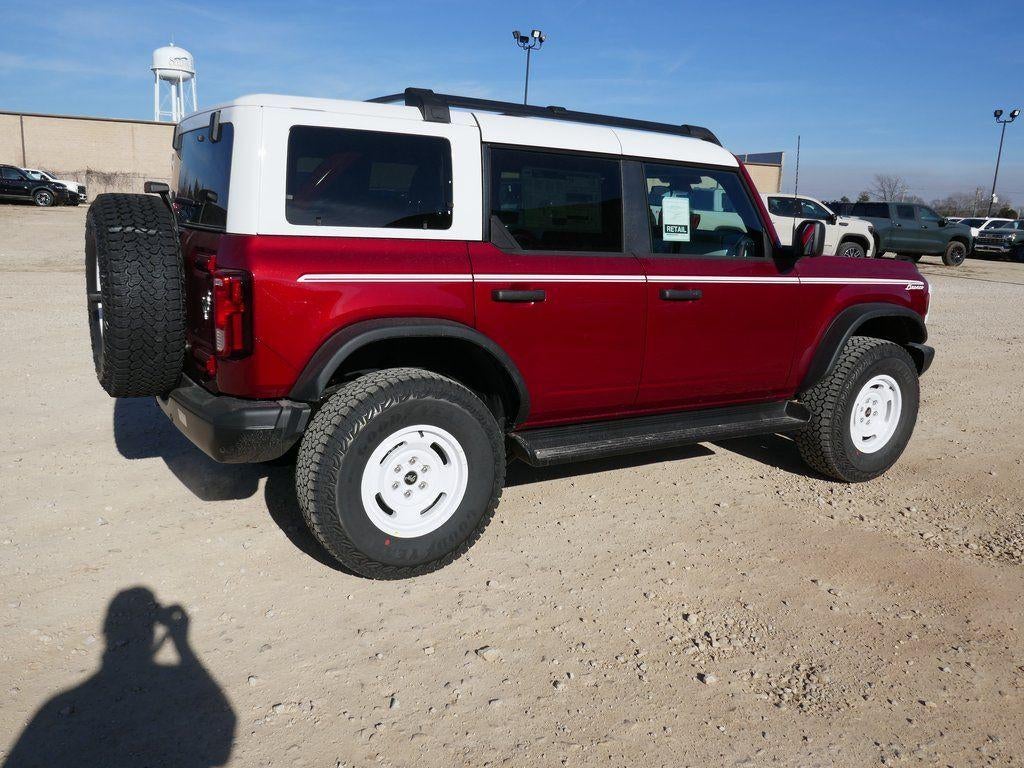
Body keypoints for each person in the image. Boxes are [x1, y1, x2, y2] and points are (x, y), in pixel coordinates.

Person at [3, 587, 235, 768]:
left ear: (105, 632)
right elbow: (221, 743)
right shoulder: (175, 680)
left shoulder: (55, 707)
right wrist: (181, 642)